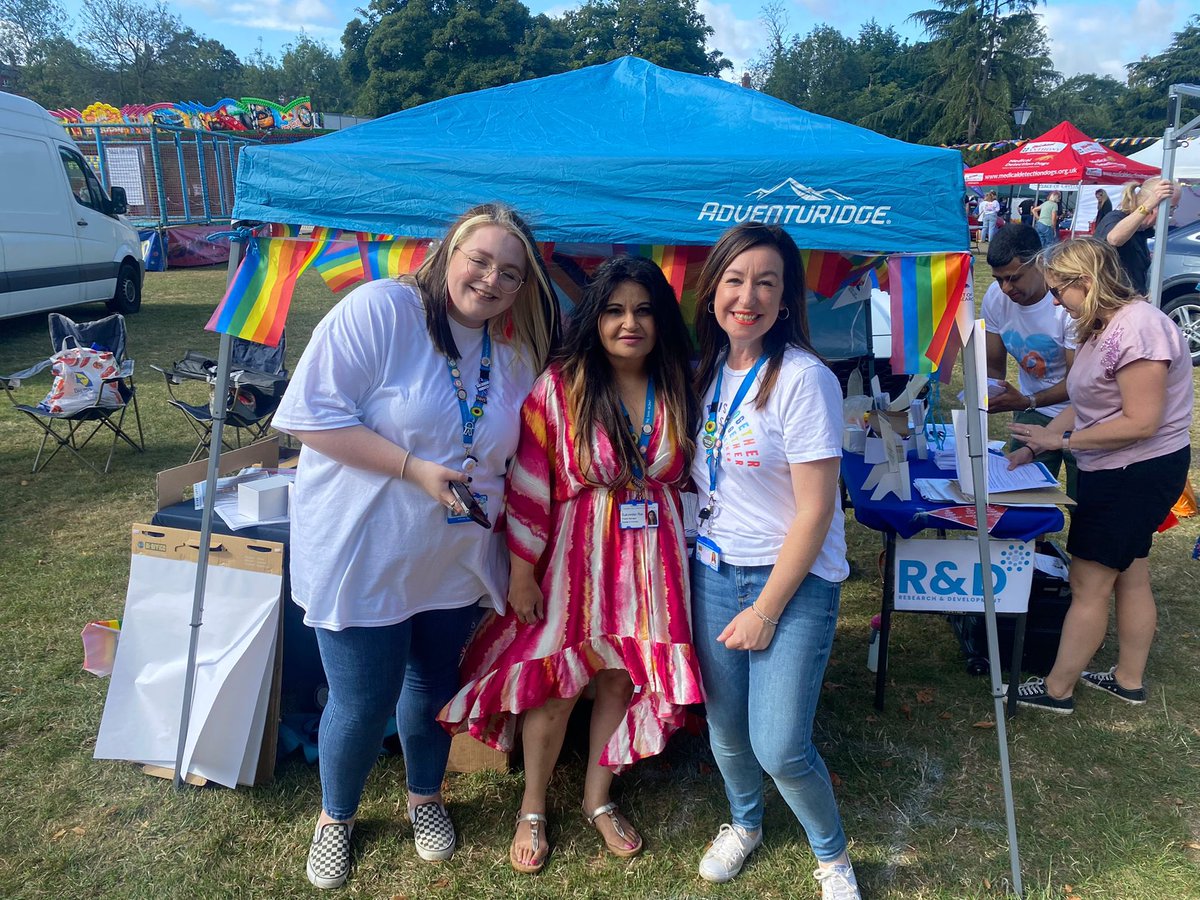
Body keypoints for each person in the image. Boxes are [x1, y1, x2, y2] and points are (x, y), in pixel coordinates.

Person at [272, 203, 560, 890]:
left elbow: (511, 459)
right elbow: (309, 418)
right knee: (361, 700)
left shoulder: (513, 357)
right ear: (447, 251)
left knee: (434, 686)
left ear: (522, 289)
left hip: (451, 561)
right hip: (364, 554)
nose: (490, 280)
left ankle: (425, 797)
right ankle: (336, 818)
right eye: (480, 260)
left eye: (509, 274)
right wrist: (412, 469)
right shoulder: (381, 311)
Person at [438, 256, 704, 874]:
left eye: (643, 310)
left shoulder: (681, 387)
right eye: (614, 310)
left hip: (653, 561)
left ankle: (597, 799)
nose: (629, 322)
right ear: (595, 319)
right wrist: (524, 571)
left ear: (661, 318)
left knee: (619, 677)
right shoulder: (560, 387)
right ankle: (532, 806)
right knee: (556, 682)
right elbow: (531, 485)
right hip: (575, 558)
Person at [688, 223, 859, 899]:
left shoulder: (804, 379)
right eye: (735, 280)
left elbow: (817, 510)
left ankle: (833, 858)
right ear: (712, 291)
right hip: (712, 570)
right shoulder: (708, 370)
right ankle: (744, 823)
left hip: (790, 581)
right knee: (726, 730)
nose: (748, 296)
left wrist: (765, 609)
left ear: (786, 298)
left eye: (766, 282)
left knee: (781, 744)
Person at [1006, 238, 1193, 714]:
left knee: (1090, 583)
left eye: (1057, 289)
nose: (1053, 300)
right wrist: (1038, 441)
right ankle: (1127, 679)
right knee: (1130, 571)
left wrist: (1061, 445)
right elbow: (1084, 400)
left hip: (1136, 471)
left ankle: (1057, 689)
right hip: (1120, 469)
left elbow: (1141, 421)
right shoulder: (1099, 325)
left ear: (1085, 282)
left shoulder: (1140, 329)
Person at [984, 223, 1078, 497]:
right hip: (1031, 412)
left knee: (1083, 505)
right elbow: (993, 363)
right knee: (1023, 497)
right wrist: (990, 394)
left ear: (1039, 263)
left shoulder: (1065, 304)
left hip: (1081, 415)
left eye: (1014, 278)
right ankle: (1033, 543)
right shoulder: (995, 298)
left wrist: (1028, 401)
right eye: (998, 279)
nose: (1004, 288)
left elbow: (1078, 385)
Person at [1093, 177, 1179, 294]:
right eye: (1171, 208)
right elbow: (1114, 239)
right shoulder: (1116, 218)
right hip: (1110, 300)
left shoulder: (1143, 231)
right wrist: (1148, 204)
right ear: (1154, 205)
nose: (1171, 214)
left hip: (1131, 299)